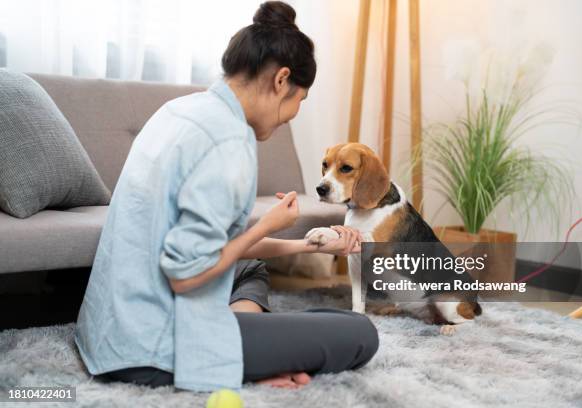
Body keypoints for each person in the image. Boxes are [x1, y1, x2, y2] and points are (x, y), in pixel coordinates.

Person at [75, 1, 378, 392]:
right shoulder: (229, 142)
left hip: (107, 328)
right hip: (152, 347)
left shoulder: (179, 110)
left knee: (250, 269)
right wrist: (267, 225)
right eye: (300, 100)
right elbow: (188, 278)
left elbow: (202, 247)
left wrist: (306, 243)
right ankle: (239, 355)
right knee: (358, 332)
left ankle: (251, 345)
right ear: (281, 80)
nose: (293, 115)